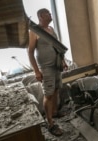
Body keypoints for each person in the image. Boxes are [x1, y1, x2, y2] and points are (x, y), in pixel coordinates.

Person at [28, 8, 68, 136]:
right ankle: (50, 123)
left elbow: (57, 47)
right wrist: (36, 71)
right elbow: (30, 52)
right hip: (46, 68)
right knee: (48, 94)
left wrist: (63, 61)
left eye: (51, 13)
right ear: (40, 16)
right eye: (48, 14)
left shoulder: (51, 29)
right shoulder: (34, 31)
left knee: (56, 89)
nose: (51, 15)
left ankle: (55, 112)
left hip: (56, 65)